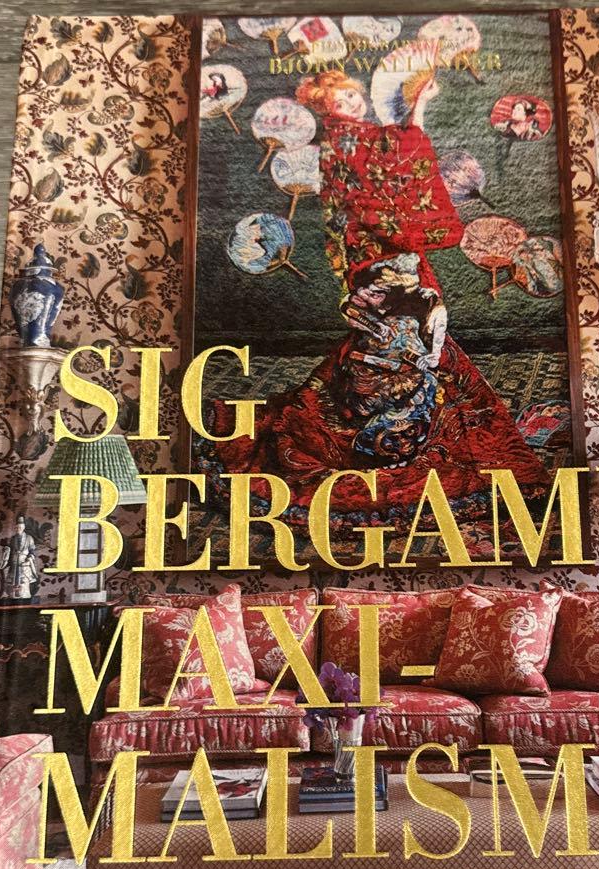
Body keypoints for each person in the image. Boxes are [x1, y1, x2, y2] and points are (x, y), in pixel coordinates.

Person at [197, 69, 549, 540]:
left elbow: (397, 160)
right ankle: (389, 439)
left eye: (353, 95)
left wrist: (417, 109)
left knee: (416, 335)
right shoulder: (341, 141)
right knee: (399, 336)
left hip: (384, 251)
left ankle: (419, 426)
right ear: (326, 107)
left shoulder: (360, 137)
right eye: (341, 99)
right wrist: (415, 124)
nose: (352, 102)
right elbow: (378, 195)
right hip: (377, 254)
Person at [0, 514, 39, 604]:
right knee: (13, 580)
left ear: (23, 527)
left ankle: (25, 595)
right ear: (15, 528)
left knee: (24, 579)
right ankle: (13, 595)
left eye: (20, 527)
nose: (18, 529)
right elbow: (9, 550)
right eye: (17, 527)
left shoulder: (29, 538)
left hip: (24, 563)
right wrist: (6, 551)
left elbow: (32, 550)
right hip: (14, 562)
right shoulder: (12, 539)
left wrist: (29, 559)